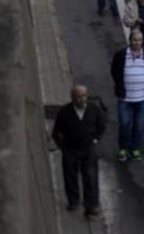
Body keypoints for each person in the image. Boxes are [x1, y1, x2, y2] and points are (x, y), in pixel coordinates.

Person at [51, 84, 105, 216]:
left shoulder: (94, 109)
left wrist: (96, 139)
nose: (82, 99)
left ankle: (91, 206)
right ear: (72, 98)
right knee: (70, 176)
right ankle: (74, 201)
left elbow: (101, 126)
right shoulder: (65, 112)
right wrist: (62, 146)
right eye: (78, 97)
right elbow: (56, 131)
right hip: (70, 149)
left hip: (88, 148)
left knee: (91, 177)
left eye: (84, 96)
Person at [110, 30, 144, 162]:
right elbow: (115, 72)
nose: (137, 43)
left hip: (142, 98)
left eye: (139, 40)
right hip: (125, 98)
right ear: (130, 41)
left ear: (142, 42)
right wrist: (120, 86)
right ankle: (123, 148)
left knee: (139, 125)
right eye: (134, 40)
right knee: (124, 124)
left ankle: (135, 148)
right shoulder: (121, 55)